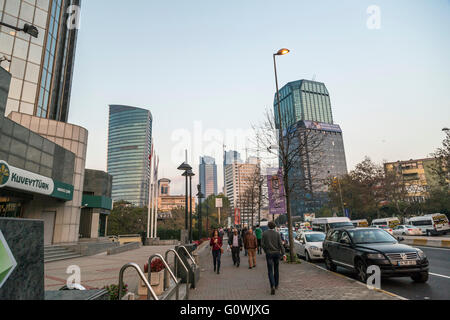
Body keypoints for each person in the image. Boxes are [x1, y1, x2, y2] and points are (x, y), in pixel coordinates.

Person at [261, 221, 286, 295]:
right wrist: (283, 253)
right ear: (274, 226)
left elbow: (262, 244)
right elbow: (281, 244)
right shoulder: (277, 234)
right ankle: (276, 284)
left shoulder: (264, 233)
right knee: (276, 269)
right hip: (276, 253)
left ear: (268, 226)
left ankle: (272, 285)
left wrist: (266, 250)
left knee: (270, 270)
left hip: (269, 253)